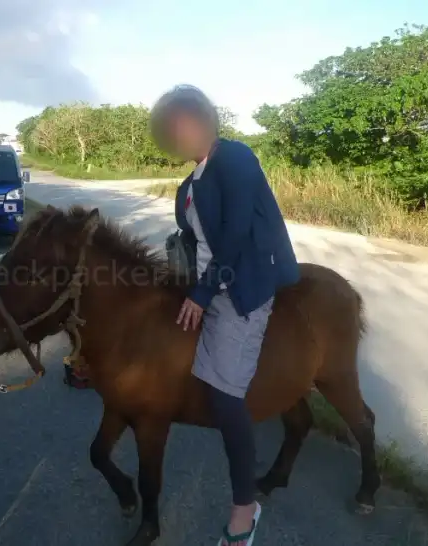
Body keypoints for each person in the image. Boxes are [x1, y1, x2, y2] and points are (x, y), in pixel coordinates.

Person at [150, 85, 299, 546]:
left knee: (226, 398)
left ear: (205, 119)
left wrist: (202, 291)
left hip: (241, 286)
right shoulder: (190, 182)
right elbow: (192, 240)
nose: (180, 132)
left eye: (186, 121)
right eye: (171, 126)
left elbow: (234, 234)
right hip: (210, 284)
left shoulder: (235, 157)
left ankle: (244, 509)